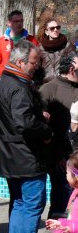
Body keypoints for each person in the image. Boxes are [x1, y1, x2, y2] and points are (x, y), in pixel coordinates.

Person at [0, 40, 53, 233]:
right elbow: (24, 122)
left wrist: (38, 115)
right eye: (33, 63)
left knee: (19, 204)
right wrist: (45, 130)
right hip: (26, 156)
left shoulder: (2, 84)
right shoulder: (18, 86)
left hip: (9, 155)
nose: (36, 67)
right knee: (32, 205)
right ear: (20, 62)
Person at [39, 52, 78, 218]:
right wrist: (58, 157)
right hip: (60, 157)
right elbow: (42, 128)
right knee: (61, 202)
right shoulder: (49, 90)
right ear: (72, 69)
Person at [0, 10, 39, 77]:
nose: (19, 23)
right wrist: (5, 73)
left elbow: (38, 60)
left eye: (21, 21)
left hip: (26, 78)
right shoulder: (0, 42)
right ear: (9, 23)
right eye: (16, 21)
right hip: (7, 78)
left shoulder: (32, 40)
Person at [38, 18, 75, 84]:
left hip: (63, 82)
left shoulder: (67, 45)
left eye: (58, 27)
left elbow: (73, 64)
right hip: (46, 83)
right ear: (46, 31)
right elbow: (37, 68)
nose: (55, 30)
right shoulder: (40, 48)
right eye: (52, 28)